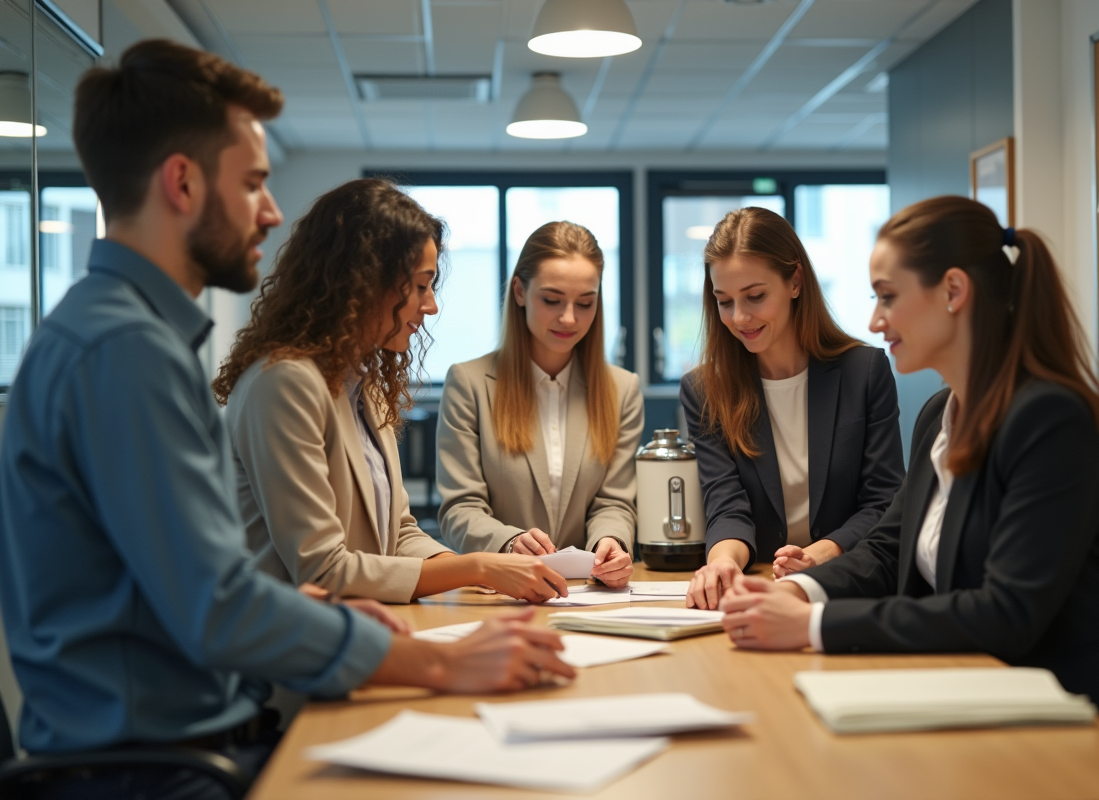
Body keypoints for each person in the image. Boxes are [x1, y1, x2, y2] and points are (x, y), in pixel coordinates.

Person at [0, 40, 572, 794]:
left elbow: (201, 580)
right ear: (181, 183)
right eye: (254, 184)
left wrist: (305, 611)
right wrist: (438, 659)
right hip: (156, 771)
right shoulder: (126, 351)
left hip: (173, 742)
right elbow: (219, 607)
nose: (271, 212)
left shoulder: (120, 333)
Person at [719, 196, 1099, 727]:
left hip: (1098, 725)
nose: (875, 321)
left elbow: (1006, 613)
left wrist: (813, 624)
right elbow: (889, 548)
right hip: (989, 697)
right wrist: (794, 590)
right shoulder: (941, 413)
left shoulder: (1051, 420)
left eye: (888, 297)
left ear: (954, 292)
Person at [214, 179, 572, 605]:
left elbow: (398, 532)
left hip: (361, 629)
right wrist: (477, 566)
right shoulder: (283, 384)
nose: (431, 305)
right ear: (364, 282)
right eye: (420, 285)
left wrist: (485, 572)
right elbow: (322, 569)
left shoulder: (364, 384)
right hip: (288, 652)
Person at [681, 207, 905, 609]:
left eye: (755, 296)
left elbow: (884, 501)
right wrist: (722, 563)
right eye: (724, 301)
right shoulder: (704, 389)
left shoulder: (864, 372)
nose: (740, 317)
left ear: (795, 281)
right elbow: (726, 503)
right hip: (760, 591)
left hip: (848, 589)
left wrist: (822, 552)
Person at [437, 221, 642, 587]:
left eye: (585, 303)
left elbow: (615, 501)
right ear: (519, 291)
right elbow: (460, 508)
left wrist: (609, 542)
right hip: (501, 591)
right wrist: (509, 542)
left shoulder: (622, 390)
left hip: (588, 592)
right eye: (552, 300)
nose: (569, 318)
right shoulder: (468, 384)